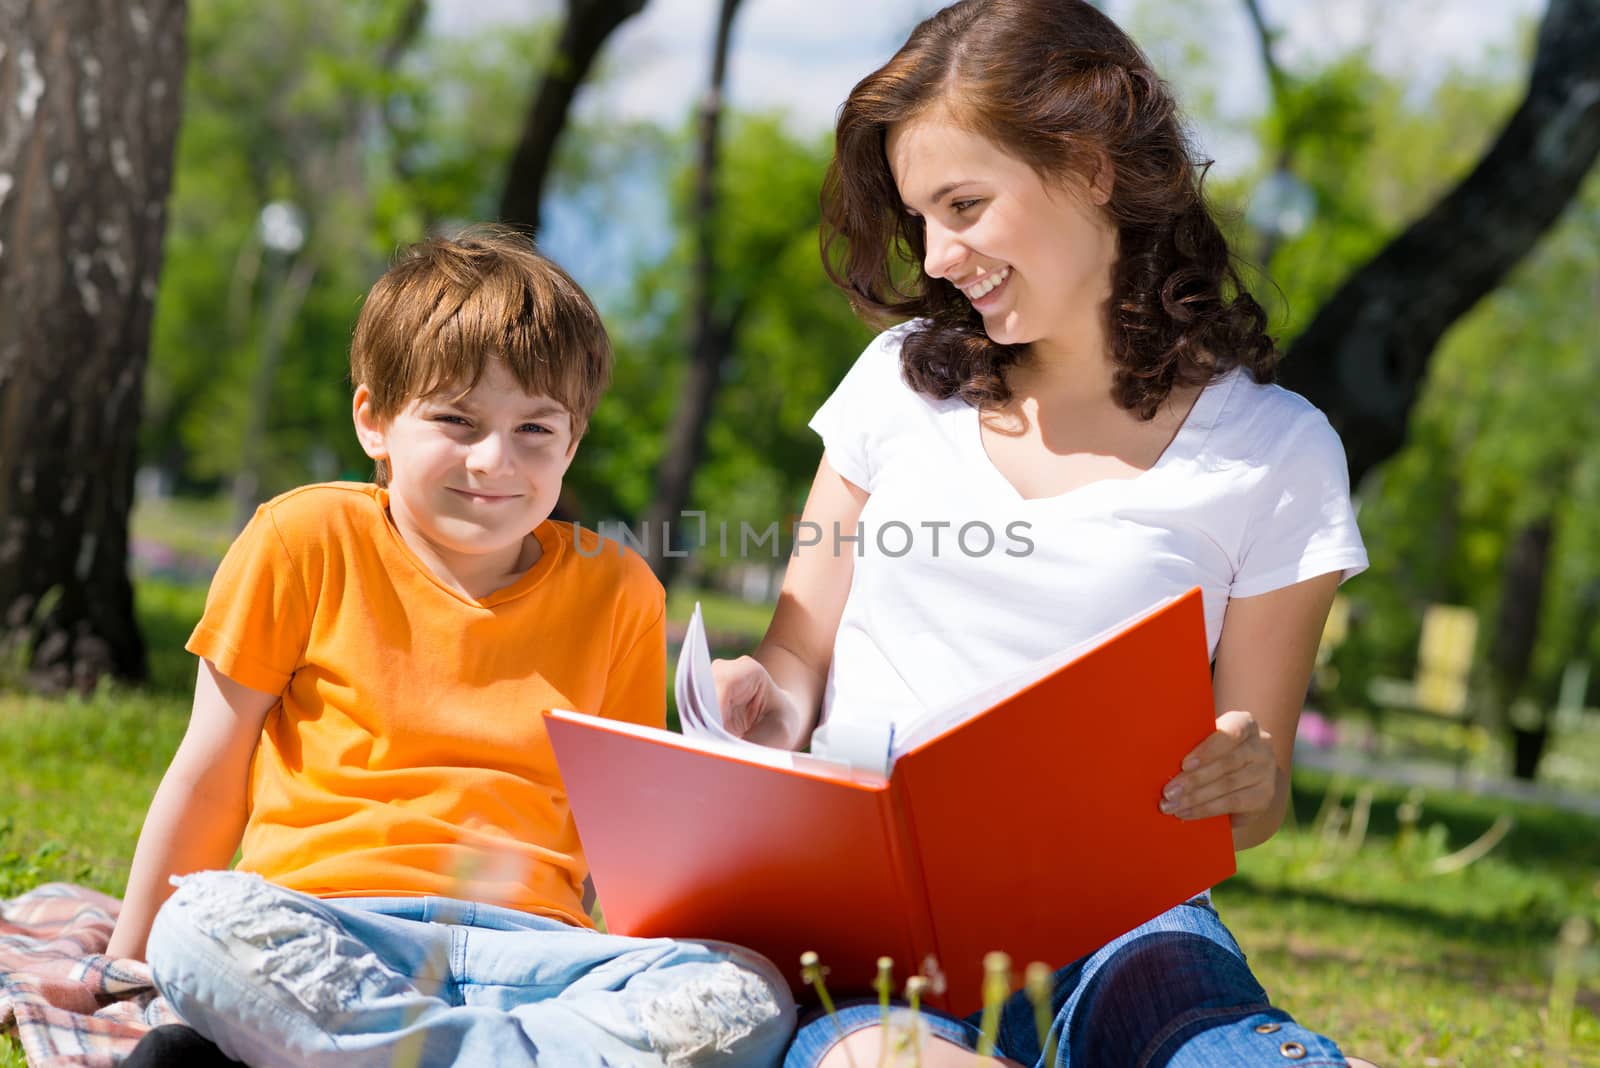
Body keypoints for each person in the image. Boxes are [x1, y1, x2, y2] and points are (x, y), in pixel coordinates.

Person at [711, 1, 1372, 1065]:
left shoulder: (1275, 450)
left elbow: (1253, 796)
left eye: (964, 205)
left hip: (1120, 924)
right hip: (885, 928)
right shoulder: (893, 389)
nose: (937, 256)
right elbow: (799, 656)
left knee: (1221, 1051)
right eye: (921, 219)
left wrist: (1244, 777)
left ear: (1087, 164)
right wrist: (759, 702)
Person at [105, 229, 796, 1068]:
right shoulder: (304, 538)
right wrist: (132, 961)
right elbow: (209, 768)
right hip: (328, 932)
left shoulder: (620, 591)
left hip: (534, 957)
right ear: (375, 422)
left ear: (572, 442)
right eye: (456, 420)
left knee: (747, 992)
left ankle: (395, 1056)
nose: (494, 460)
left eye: (535, 429)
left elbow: (618, 850)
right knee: (201, 927)